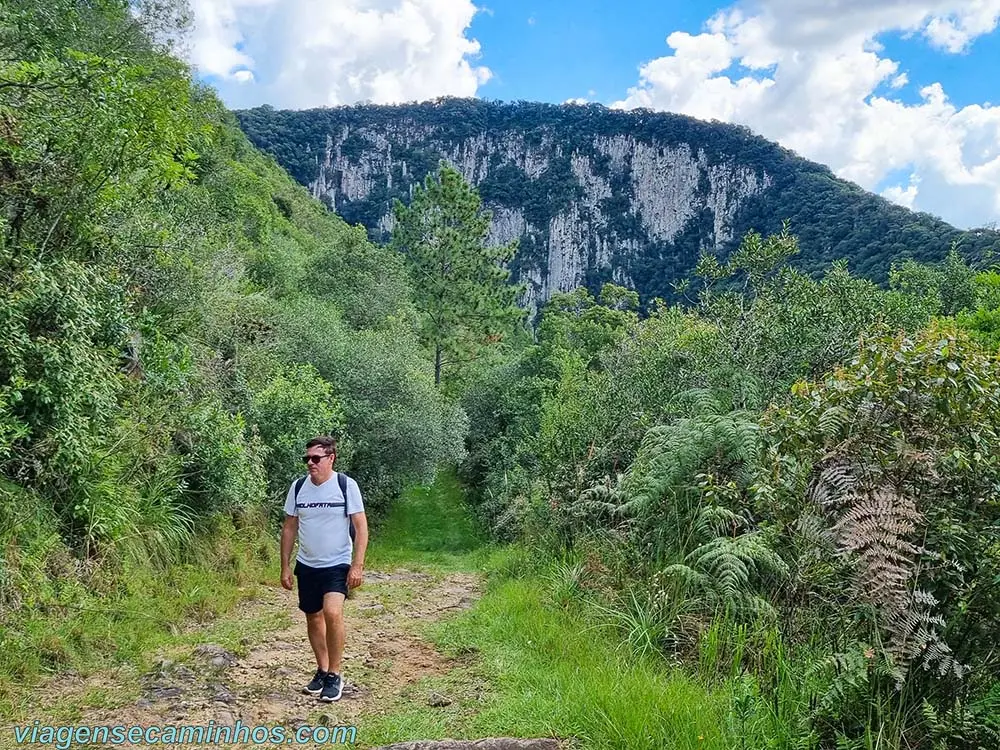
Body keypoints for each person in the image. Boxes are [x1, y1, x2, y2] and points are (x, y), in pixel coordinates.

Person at [280, 436, 369, 702]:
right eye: (306, 458)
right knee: (313, 617)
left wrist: (357, 565)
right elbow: (289, 528)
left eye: (316, 458)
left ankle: (335, 674)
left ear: (331, 458)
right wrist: (285, 566)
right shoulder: (298, 488)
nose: (310, 463)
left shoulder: (345, 486)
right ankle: (322, 669)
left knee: (332, 612)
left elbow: (361, 527)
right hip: (307, 564)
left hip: (337, 563)